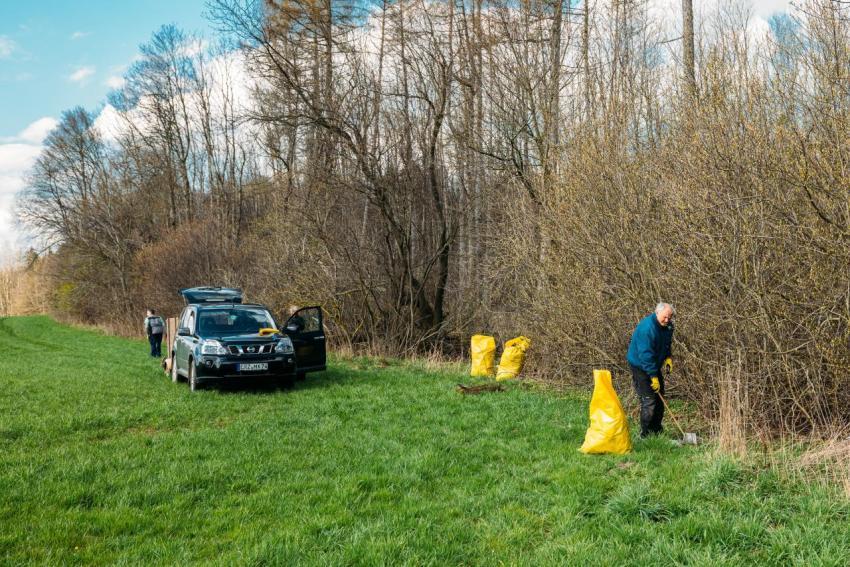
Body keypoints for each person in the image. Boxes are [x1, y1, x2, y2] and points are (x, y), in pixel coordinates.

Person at [627, 302, 675, 438]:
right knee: (649, 400)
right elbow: (645, 355)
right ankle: (645, 435)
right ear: (657, 313)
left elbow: (666, 343)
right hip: (640, 365)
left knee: (660, 399)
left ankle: (656, 431)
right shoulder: (647, 329)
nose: (667, 320)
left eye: (670, 317)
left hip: (653, 364)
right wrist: (653, 376)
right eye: (665, 317)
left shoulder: (668, 326)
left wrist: (668, 357)